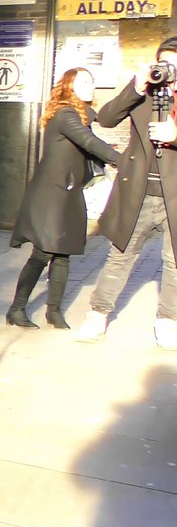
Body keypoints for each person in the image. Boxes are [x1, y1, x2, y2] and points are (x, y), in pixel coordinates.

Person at [76, 36, 177, 349]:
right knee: (120, 255)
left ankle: (168, 320)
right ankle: (98, 313)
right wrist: (136, 85)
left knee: (175, 262)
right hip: (139, 192)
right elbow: (105, 118)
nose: (169, 70)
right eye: (165, 63)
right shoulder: (144, 94)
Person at [6, 68, 122, 329]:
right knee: (44, 252)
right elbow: (88, 142)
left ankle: (54, 312)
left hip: (69, 193)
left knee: (63, 253)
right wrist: (122, 161)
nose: (91, 85)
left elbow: (89, 144)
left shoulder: (80, 116)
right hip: (52, 194)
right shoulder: (65, 114)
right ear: (69, 86)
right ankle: (17, 309)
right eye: (84, 81)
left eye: (92, 81)